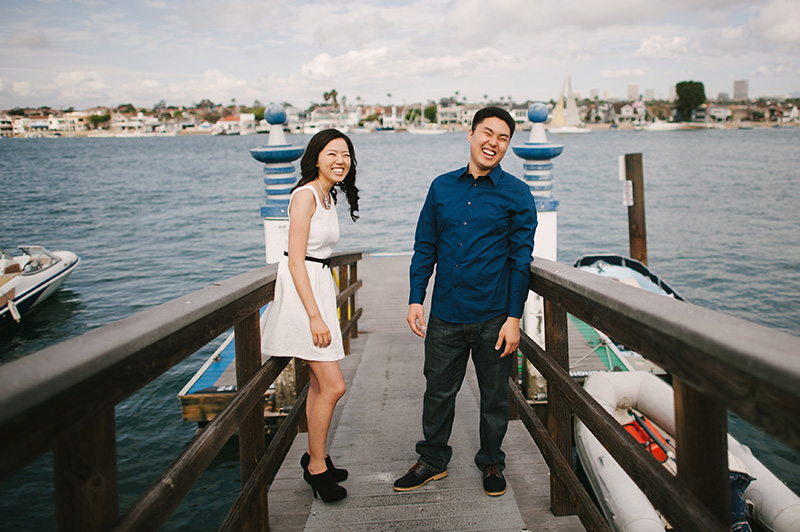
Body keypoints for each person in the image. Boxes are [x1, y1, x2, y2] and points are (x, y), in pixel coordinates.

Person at [394, 106, 537, 497]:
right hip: (446, 314)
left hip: (495, 316)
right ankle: (432, 461)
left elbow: (520, 259)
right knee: (437, 391)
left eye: (503, 137)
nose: (494, 142)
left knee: (494, 397)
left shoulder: (518, 194)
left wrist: (513, 318)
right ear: (471, 134)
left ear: (508, 145)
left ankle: (492, 461)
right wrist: (415, 298)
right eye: (487, 133)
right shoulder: (441, 187)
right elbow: (425, 247)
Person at [261, 128, 359, 503]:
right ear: (315, 157)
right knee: (334, 385)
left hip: (318, 286)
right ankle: (315, 467)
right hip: (303, 296)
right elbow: (296, 259)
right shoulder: (304, 196)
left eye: (346, 155)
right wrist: (315, 316)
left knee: (320, 386)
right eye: (332, 153)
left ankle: (317, 456)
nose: (340, 160)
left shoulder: (328, 195)